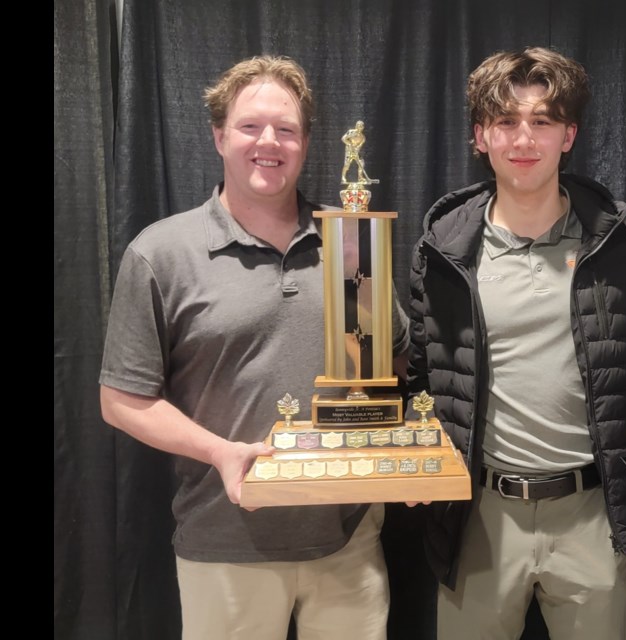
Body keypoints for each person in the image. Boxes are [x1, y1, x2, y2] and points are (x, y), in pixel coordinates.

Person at [99, 55, 409, 640]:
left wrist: (401, 461)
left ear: (306, 143)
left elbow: (387, 368)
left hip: (347, 542)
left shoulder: (353, 246)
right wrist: (221, 452)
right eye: (249, 126)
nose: (269, 142)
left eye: (286, 129)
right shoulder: (161, 253)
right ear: (218, 136)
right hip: (225, 545)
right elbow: (121, 400)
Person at [405, 47, 626, 640]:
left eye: (541, 121)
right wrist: (415, 465)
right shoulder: (442, 247)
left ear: (568, 135)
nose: (524, 138)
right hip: (477, 516)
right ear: (479, 136)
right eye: (505, 121)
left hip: (594, 514)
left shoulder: (623, 237)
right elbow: (422, 374)